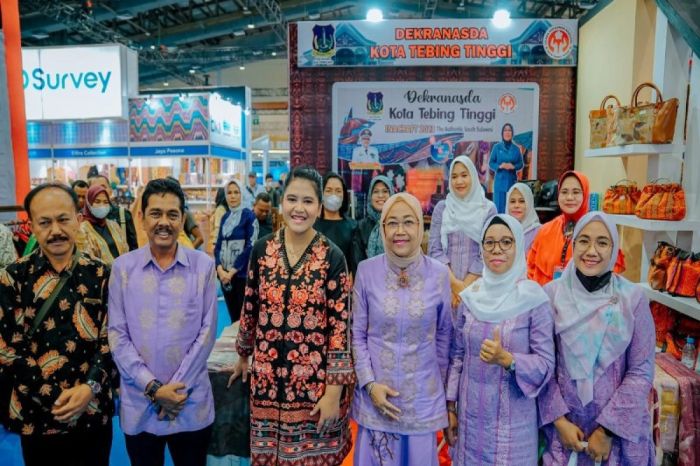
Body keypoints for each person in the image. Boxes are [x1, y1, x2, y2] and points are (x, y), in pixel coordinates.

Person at [230, 166, 355, 466]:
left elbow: (340, 328)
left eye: (308, 201)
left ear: (319, 206)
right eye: (292, 199)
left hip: (314, 388)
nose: (299, 209)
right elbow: (250, 307)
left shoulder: (332, 257)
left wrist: (333, 393)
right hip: (267, 383)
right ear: (282, 202)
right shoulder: (262, 251)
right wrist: (243, 355)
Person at [0, 183, 114, 466]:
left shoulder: (102, 274)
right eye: (45, 222)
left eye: (63, 219)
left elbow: (112, 339)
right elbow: (7, 349)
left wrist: (89, 388)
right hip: (37, 417)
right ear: (32, 226)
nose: (56, 231)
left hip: (92, 411)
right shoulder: (12, 278)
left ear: (78, 218)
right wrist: (52, 395)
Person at [108, 178, 217, 466]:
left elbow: (207, 334)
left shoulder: (203, 266)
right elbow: (118, 336)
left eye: (172, 214)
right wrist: (155, 389)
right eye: (156, 213)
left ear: (183, 219)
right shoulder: (123, 269)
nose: (164, 222)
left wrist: (175, 392)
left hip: (190, 402)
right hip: (140, 403)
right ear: (142, 218)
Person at [539, 212, 655, 466]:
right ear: (573, 244)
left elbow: (641, 371)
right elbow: (543, 364)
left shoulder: (631, 300)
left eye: (602, 242)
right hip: (565, 434)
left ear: (614, 249)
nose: (592, 250)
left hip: (616, 441)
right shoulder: (551, 296)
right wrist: (559, 421)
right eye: (584, 241)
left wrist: (607, 431)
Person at [444, 214, 554, 465]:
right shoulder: (471, 297)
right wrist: (450, 407)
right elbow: (457, 355)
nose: (497, 249)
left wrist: (508, 359)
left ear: (518, 245)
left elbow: (546, 365)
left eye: (506, 242)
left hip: (513, 429)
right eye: (489, 242)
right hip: (470, 425)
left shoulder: (533, 299)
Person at [351, 192, 452, 465]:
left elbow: (445, 336)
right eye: (392, 223)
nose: (400, 231)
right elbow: (357, 334)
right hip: (375, 401)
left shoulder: (439, 274)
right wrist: (369, 384)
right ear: (382, 228)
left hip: (422, 402)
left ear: (420, 226)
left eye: (408, 222)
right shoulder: (366, 271)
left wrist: (439, 392)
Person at [527, 171, 625, 285]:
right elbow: (531, 269)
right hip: (546, 298)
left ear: (585, 194)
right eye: (564, 192)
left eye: (576, 192)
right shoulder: (545, 230)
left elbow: (611, 272)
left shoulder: (599, 229)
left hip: (586, 300)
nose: (569, 197)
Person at [428, 156, 496, 308]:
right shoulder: (442, 208)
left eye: (464, 175)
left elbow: (487, 252)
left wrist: (464, 288)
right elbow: (435, 250)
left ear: (473, 176)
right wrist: (454, 286)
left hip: (478, 288)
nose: (459, 181)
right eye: (454, 176)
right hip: (444, 287)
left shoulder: (487, 209)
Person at [214, 179, 257, 323]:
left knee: (243, 317)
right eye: (229, 193)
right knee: (233, 316)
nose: (232, 196)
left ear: (242, 194)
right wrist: (220, 270)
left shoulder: (248, 216)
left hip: (241, 275)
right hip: (225, 276)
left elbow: (250, 246)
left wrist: (232, 271)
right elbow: (219, 245)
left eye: (236, 192)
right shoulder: (225, 217)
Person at [314, 172, 358, 275]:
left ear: (344, 195)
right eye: (328, 190)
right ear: (321, 194)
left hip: (343, 280)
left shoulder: (353, 226)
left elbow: (354, 259)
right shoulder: (312, 226)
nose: (333, 195)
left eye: (338, 191)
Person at [78, 184, 129, 265]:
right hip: (99, 276)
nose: (102, 206)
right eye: (97, 201)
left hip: (123, 274)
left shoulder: (114, 225)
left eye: (106, 202)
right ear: (89, 204)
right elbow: (86, 260)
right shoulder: (82, 230)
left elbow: (125, 249)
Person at [89, 174, 138, 250]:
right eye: (95, 188)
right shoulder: (82, 218)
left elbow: (133, 249)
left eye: (103, 187)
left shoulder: (123, 215)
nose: (99, 191)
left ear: (110, 191)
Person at [353, 175, 394, 264]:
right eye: (375, 191)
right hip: (367, 276)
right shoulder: (361, 227)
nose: (380, 195)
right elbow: (357, 262)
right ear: (370, 197)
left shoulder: (397, 224)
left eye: (385, 191)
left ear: (391, 195)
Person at [489, 123, 524, 213]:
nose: (507, 132)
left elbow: (520, 164)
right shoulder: (497, 147)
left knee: (510, 205)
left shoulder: (516, 149)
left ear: (512, 133)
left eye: (509, 130)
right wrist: (500, 166)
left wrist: (513, 167)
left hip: (511, 181)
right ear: (502, 133)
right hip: (500, 182)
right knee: (499, 207)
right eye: (505, 130)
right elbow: (491, 163)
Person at [507, 182, 541, 253]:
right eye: (512, 201)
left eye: (522, 201)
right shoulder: (502, 230)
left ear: (529, 203)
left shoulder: (539, 232)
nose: (516, 205)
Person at [209, 187, 229, 252]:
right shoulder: (225, 208)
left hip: (219, 242)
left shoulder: (220, 209)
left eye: (216, 193)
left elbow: (218, 226)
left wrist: (214, 243)